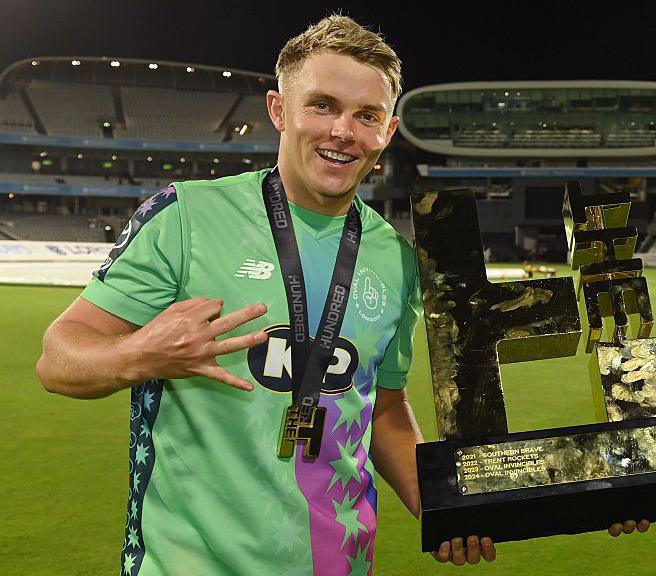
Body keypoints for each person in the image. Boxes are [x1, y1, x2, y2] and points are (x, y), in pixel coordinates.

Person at [35, 14, 493, 575]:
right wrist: (140, 355)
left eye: (366, 115)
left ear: (388, 131)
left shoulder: (396, 258)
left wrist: (445, 507)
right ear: (279, 110)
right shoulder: (186, 217)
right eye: (322, 105)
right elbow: (58, 358)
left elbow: (385, 408)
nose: (343, 131)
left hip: (339, 564)